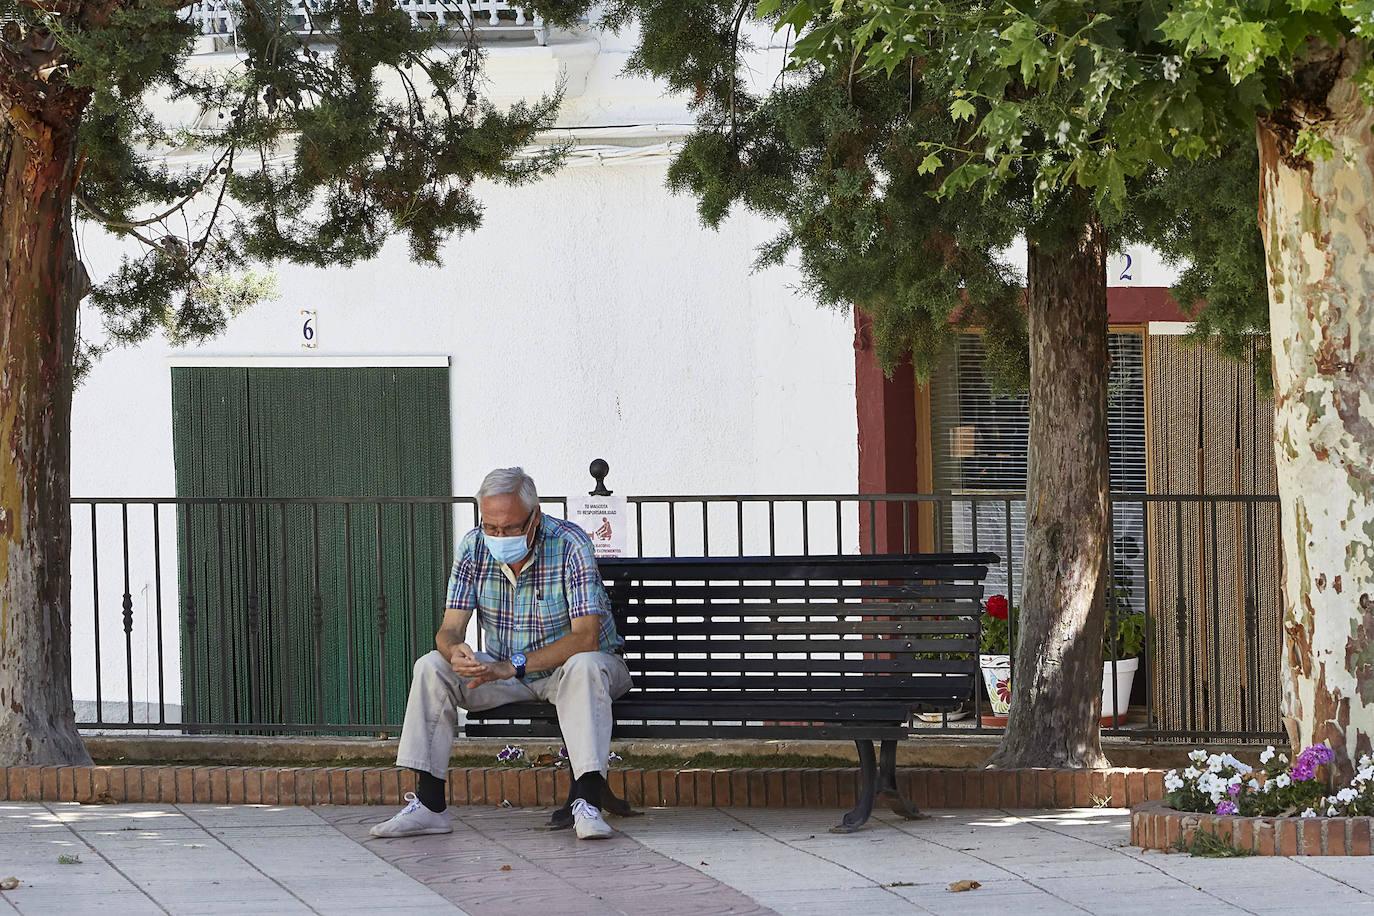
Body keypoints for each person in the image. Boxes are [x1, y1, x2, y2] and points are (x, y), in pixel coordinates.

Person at [371, 467, 631, 840]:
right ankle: (429, 806)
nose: (498, 536)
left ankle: (587, 804)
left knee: (584, 666)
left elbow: (586, 638)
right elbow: (448, 630)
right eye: (491, 526)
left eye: (509, 528)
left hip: (578, 668)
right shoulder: (474, 546)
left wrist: (513, 665)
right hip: (506, 671)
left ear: (534, 517)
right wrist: (453, 649)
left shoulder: (570, 543)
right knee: (430, 665)